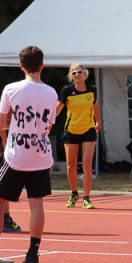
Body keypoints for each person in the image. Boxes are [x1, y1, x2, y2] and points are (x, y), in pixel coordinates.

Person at [0, 46, 58, 263]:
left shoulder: (11, 89)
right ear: (42, 65)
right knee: (36, 202)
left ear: (21, 66)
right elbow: (49, 125)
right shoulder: (51, 93)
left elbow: (1, 123)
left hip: (17, 155)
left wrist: (14, 119)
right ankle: (33, 254)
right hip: (40, 154)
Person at [55, 63, 101, 209]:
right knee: (71, 165)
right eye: (74, 73)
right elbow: (57, 109)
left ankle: (86, 197)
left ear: (85, 73)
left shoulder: (92, 90)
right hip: (71, 130)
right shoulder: (67, 90)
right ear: (71, 76)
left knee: (87, 165)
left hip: (88, 130)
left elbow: (95, 106)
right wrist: (46, 121)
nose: (77, 75)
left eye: (79, 72)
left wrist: (98, 122)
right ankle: (74, 193)